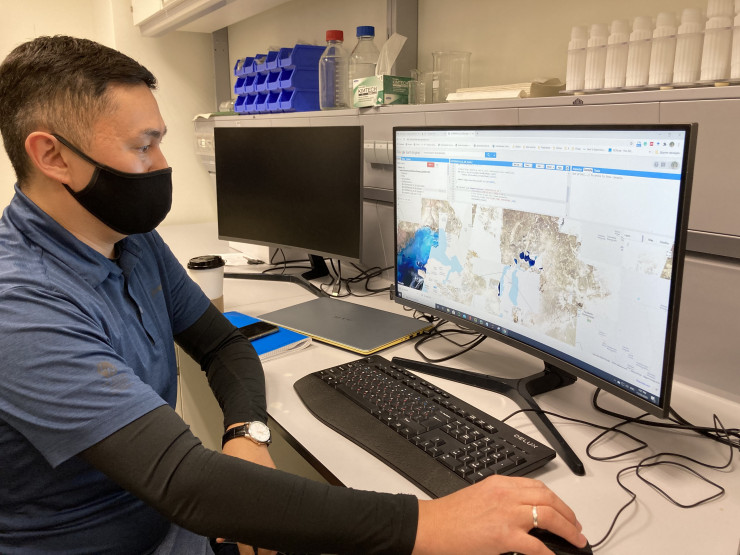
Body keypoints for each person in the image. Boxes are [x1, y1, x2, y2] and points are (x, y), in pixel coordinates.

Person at [0, 35, 588, 555]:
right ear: (52, 156)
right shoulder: (19, 307)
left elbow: (223, 345)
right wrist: (429, 524)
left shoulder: (128, 240)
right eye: (142, 146)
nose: (162, 164)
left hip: (171, 524)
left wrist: (245, 432)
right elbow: (184, 483)